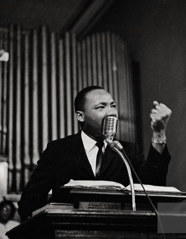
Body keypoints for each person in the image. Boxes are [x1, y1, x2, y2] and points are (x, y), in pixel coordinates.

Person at [18, 85, 172, 221]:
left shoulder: (127, 151)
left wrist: (159, 133)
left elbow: (153, 189)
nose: (111, 112)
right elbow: (30, 202)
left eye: (113, 105)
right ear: (80, 116)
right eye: (101, 107)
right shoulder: (58, 150)